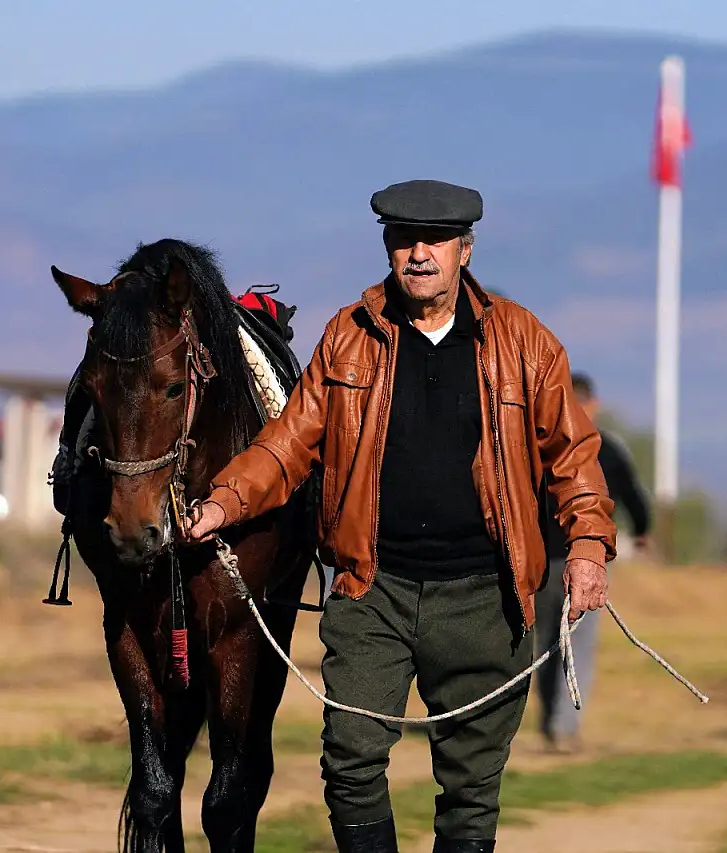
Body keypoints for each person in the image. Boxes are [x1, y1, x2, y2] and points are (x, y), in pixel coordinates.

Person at [184, 178, 616, 853]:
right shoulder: (350, 338)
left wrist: (588, 544)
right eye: (404, 240)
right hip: (371, 589)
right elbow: (288, 441)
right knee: (350, 760)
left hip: (488, 597)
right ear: (388, 248)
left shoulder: (524, 341)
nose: (419, 254)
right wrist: (224, 499)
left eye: (435, 242)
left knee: (472, 786)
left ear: (464, 251)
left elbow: (574, 452)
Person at [534, 372, 652, 754]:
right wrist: (642, 531)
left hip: (537, 564)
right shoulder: (607, 448)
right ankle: (564, 728)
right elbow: (635, 498)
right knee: (577, 646)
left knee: (543, 646)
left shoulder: (535, 446)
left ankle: (551, 722)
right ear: (594, 405)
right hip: (584, 562)